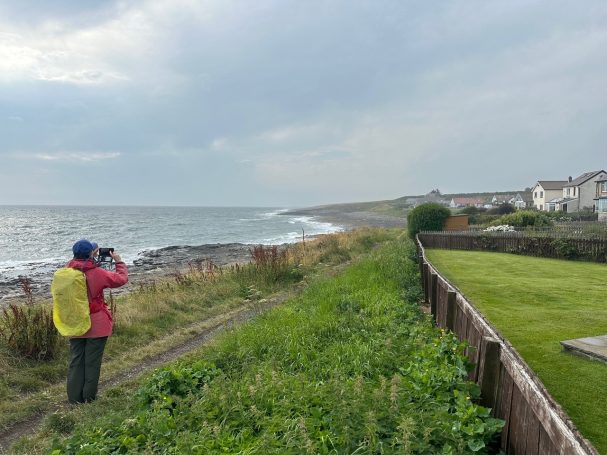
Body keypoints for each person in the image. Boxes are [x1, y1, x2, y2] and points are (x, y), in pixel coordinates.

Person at [65, 239, 128, 404]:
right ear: (91, 254)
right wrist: (119, 261)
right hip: (97, 324)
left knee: (76, 361)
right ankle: (89, 399)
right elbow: (121, 279)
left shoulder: (67, 272)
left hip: (75, 323)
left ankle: (74, 399)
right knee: (92, 363)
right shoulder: (97, 273)